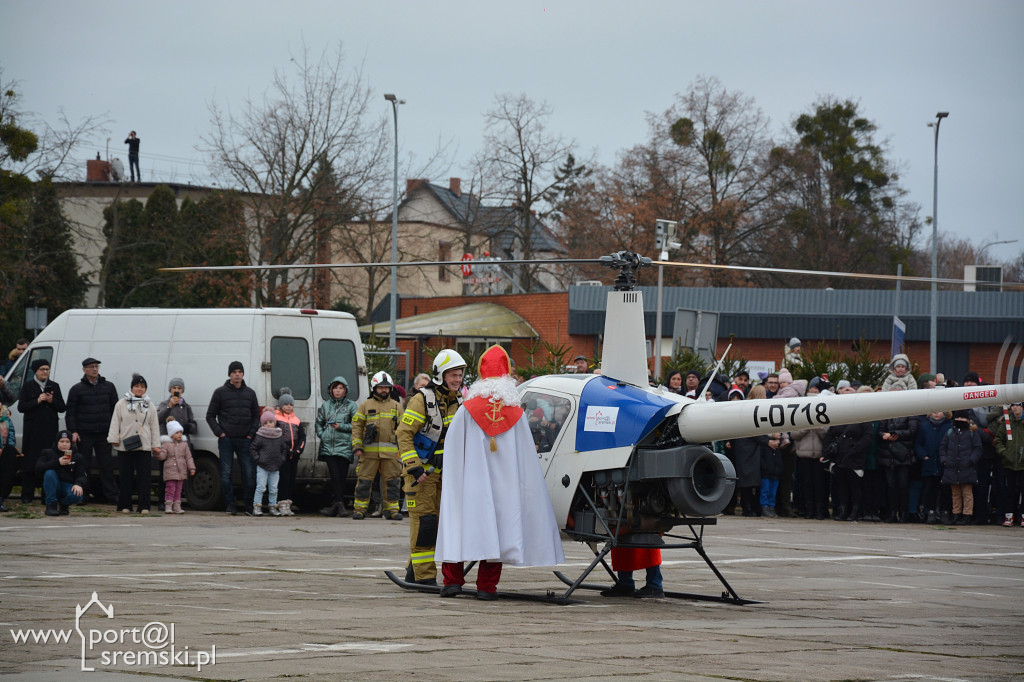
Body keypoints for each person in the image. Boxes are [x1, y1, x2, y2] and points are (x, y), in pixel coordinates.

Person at [435, 345, 564, 599]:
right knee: (501, 527)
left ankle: (452, 581)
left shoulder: (466, 410)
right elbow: (526, 456)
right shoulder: (516, 414)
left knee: (459, 522)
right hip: (504, 486)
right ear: (507, 377)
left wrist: (455, 481)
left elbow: (452, 449)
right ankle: (486, 587)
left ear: (481, 377)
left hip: (469, 484)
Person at [396, 349, 466, 585]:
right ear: (440, 375)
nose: (457, 379)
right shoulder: (421, 399)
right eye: (453, 375)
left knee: (437, 525)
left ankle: (413, 571)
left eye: (460, 374)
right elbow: (404, 434)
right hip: (422, 475)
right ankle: (424, 577)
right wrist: (414, 467)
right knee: (425, 523)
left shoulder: (458, 401)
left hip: (445, 475)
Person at [206, 361, 260, 516]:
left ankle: (249, 507)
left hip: (245, 439)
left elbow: (256, 416)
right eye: (234, 372)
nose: (237, 374)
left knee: (249, 474)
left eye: (240, 371)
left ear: (243, 374)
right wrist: (220, 433)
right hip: (226, 440)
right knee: (225, 473)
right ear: (229, 374)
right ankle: (230, 505)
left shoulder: (250, 393)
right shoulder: (220, 392)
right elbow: (210, 416)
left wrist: (251, 434)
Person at [351, 371, 404, 521]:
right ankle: (360, 509)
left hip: (391, 453)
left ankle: (392, 510)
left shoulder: (396, 406)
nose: (384, 390)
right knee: (364, 481)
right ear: (374, 387)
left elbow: (404, 429)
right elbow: (357, 427)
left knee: (392, 482)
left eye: (386, 388)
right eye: (381, 387)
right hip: (368, 452)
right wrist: (357, 446)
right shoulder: (365, 406)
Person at [65, 357, 119, 504]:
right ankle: (83, 495)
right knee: (84, 466)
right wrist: (73, 431)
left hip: (104, 433)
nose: (95, 369)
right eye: (91, 367)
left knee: (106, 466)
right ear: (84, 370)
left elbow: (116, 411)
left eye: (96, 366)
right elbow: (70, 412)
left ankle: (112, 495)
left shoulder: (108, 387)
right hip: (84, 434)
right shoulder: (77, 389)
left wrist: (115, 431)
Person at [108, 374, 161, 514]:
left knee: (144, 477)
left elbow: (154, 426)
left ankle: (144, 506)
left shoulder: (149, 405)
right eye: (137, 386)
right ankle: (125, 504)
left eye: (142, 387)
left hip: (144, 445)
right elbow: (115, 421)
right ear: (132, 387)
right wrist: (113, 438)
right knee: (125, 476)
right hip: (126, 445)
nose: (139, 389)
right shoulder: (121, 404)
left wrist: (156, 444)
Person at [16, 358, 66, 503]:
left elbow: (62, 406)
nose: (45, 372)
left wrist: (51, 401)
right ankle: (27, 495)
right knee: (30, 463)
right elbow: (21, 407)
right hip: (33, 431)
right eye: (42, 369)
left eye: (47, 369)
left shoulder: (54, 386)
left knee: (49, 462)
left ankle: (47, 495)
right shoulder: (28, 386)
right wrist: (37, 400)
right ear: (36, 371)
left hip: (49, 431)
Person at [316, 376, 358, 517]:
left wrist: (341, 427)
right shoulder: (326, 405)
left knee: (342, 476)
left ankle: (338, 504)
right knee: (334, 476)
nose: (338, 391)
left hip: (345, 445)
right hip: (329, 446)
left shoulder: (352, 406)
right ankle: (339, 504)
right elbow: (319, 422)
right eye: (335, 388)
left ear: (346, 390)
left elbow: (356, 425)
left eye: (341, 388)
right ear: (331, 390)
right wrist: (323, 435)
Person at [877, 402, 920, 523]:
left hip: (903, 455)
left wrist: (895, 434)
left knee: (903, 485)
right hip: (888, 455)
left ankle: (904, 513)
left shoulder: (910, 411)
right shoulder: (886, 412)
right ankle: (892, 513)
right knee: (890, 486)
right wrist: (884, 435)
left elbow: (912, 430)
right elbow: (880, 430)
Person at [940, 410, 982, 525]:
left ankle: (967, 514)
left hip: (967, 467)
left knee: (967, 493)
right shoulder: (950, 432)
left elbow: (978, 448)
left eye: (962, 418)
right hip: (952, 466)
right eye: (957, 418)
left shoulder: (972, 432)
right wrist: (944, 460)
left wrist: (971, 460)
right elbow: (943, 447)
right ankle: (956, 513)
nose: (959, 420)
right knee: (955, 493)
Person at [35, 430, 87, 516]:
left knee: (77, 495)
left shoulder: (77, 456)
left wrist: (79, 484)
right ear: (57, 442)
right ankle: (51, 505)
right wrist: (57, 463)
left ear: (71, 443)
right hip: (53, 485)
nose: (64, 444)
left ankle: (64, 505)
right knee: (49, 472)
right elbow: (38, 468)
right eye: (61, 441)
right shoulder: (48, 453)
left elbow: (82, 475)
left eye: (67, 442)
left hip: (67, 485)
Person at [914, 411, 952, 524]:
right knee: (930, 489)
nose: (936, 414)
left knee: (945, 490)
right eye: (933, 411)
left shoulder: (949, 427)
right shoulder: (924, 427)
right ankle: (930, 512)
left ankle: (945, 512)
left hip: (944, 464)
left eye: (939, 411)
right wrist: (923, 455)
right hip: (929, 463)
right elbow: (918, 444)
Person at [251, 410, 288, 516]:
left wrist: (282, 459)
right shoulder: (260, 435)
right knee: (261, 487)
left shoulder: (279, 435)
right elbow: (253, 449)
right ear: (263, 424)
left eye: (271, 422)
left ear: (274, 422)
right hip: (262, 466)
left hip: (276, 466)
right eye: (266, 423)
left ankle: (273, 506)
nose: (269, 424)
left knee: (273, 488)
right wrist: (258, 459)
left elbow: (284, 449)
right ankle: (257, 506)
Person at [273, 389, 305, 517]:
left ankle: (288, 503)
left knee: (291, 479)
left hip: (294, 455)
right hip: (282, 455)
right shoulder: (276, 418)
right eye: (286, 404)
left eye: (291, 405)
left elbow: (302, 437)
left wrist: (298, 450)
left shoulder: (296, 420)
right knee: (283, 479)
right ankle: (281, 502)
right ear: (281, 405)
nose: (289, 407)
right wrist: (286, 449)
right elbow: (276, 435)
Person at [993, 402, 1023, 527]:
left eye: (1017, 405)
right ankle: (1009, 515)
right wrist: (1004, 452)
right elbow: (998, 439)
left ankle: (1022, 516)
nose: (1014, 407)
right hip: (1009, 463)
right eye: (1012, 405)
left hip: (1023, 464)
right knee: (1009, 491)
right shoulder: (1006, 422)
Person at [154, 420, 195, 514]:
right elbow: (163, 456)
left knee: (179, 489)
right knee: (170, 489)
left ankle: (177, 505)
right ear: (171, 434)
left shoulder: (184, 445)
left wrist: (192, 468)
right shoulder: (166, 444)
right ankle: (168, 505)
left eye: (181, 432)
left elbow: (188, 457)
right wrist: (157, 453)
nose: (179, 434)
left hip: (181, 471)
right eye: (177, 432)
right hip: (170, 471)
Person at [0, 404, 19, 511]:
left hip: (4, 449)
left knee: (10, 453)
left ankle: (1, 497)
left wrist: (5, 447)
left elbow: (11, 436)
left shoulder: (6, 418)